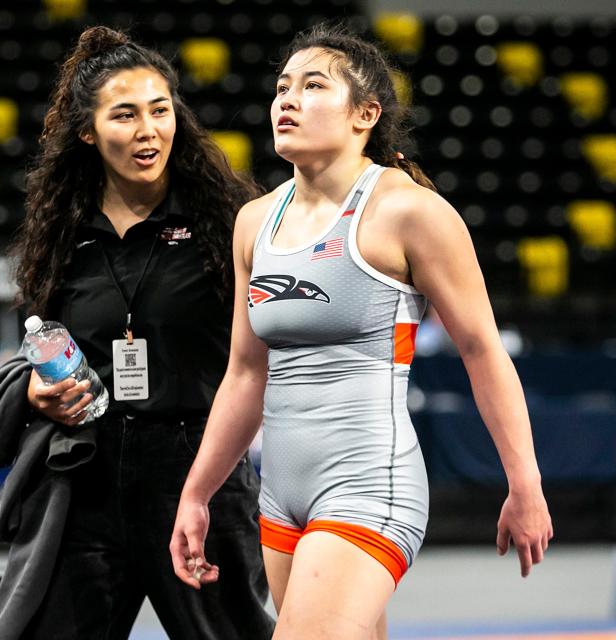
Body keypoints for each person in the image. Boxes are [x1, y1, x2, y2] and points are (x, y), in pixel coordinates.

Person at [170, 24, 554, 639]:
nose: (286, 101)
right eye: (281, 87)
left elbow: (482, 351)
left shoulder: (409, 212)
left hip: (369, 487)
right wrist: (197, 494)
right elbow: (245, 373)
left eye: (313, 85)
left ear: (366, 113)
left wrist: (524, 482)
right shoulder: (254, 222)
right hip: (280, 499)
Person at [5, 26, 274, 639]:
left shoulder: (229, 221)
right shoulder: (60, 236)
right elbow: (41, 347)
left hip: (199, 470)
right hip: (87, 477)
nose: (148, 129)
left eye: (160, 110)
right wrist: (34, 394)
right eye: (124, 115)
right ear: (87, 131)